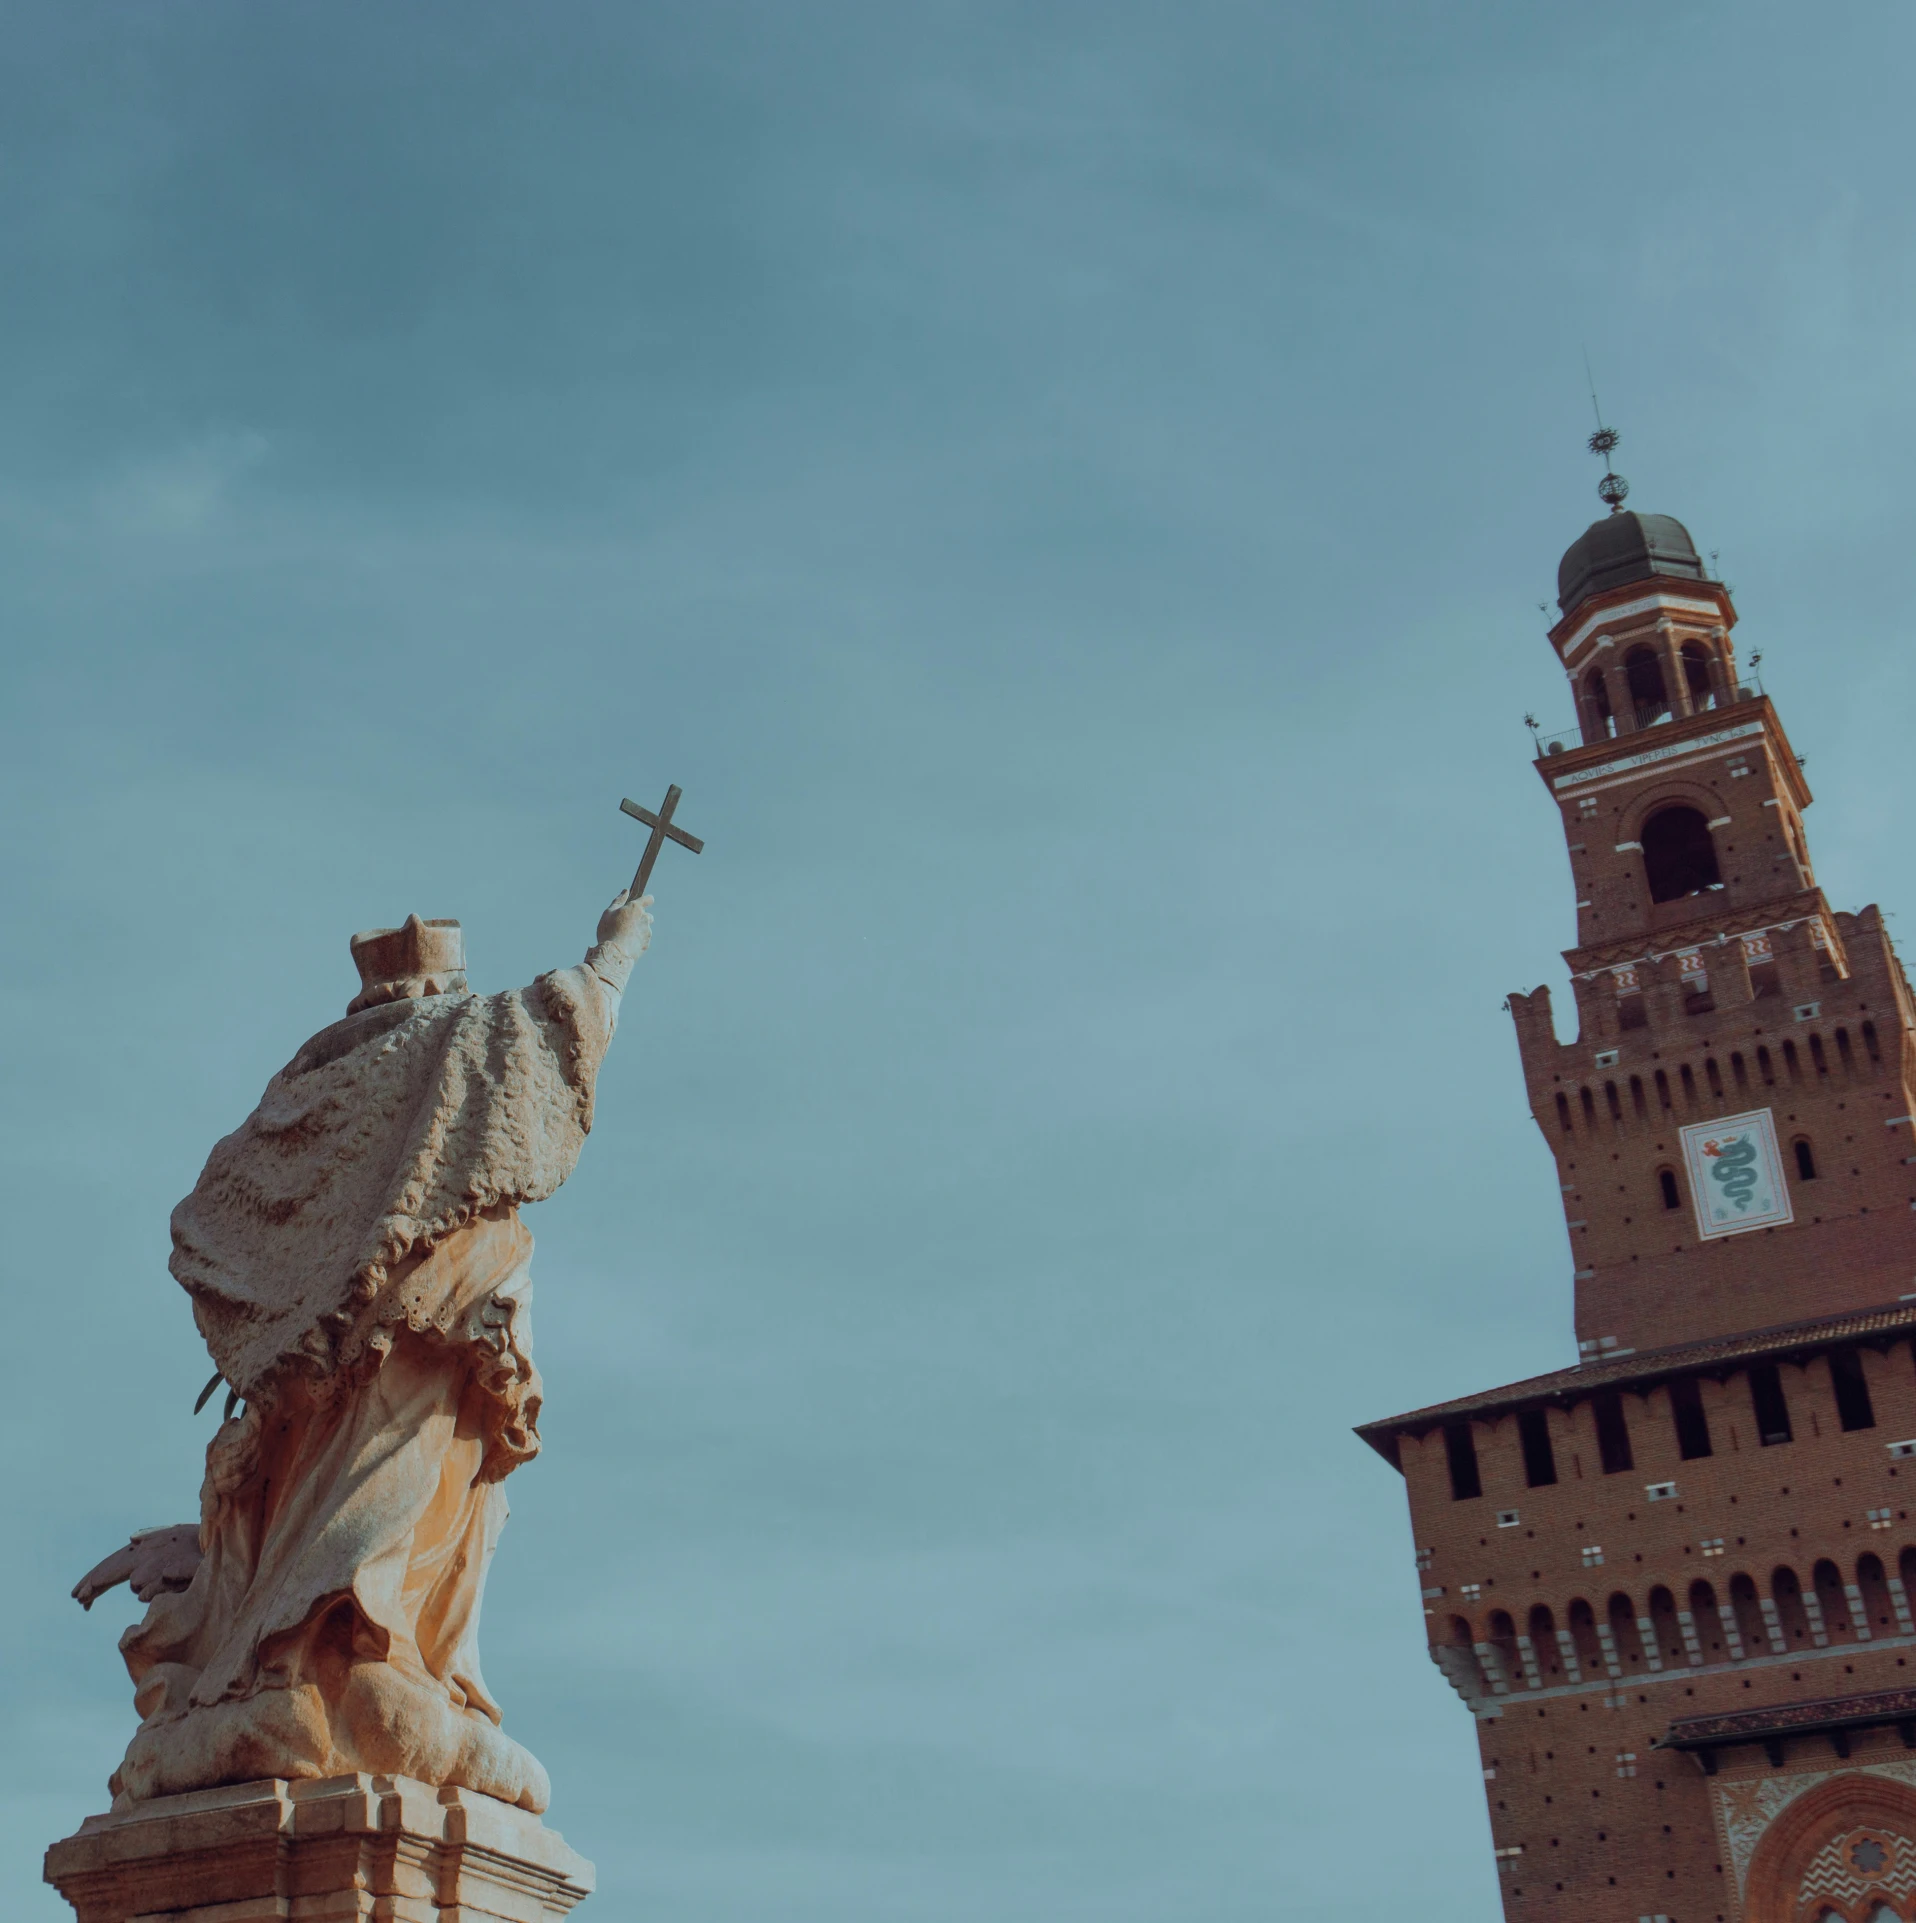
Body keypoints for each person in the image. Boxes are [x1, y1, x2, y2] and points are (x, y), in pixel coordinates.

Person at [74, 890, 652, 1813]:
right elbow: (542, 1030)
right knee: (374, 1537)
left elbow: (211, 1225)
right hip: (407, 1386)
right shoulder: (451, 1067)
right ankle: (347, 1651)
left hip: (326, 1415)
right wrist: (615, 956)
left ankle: (317, 1656)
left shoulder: (309, 1102)